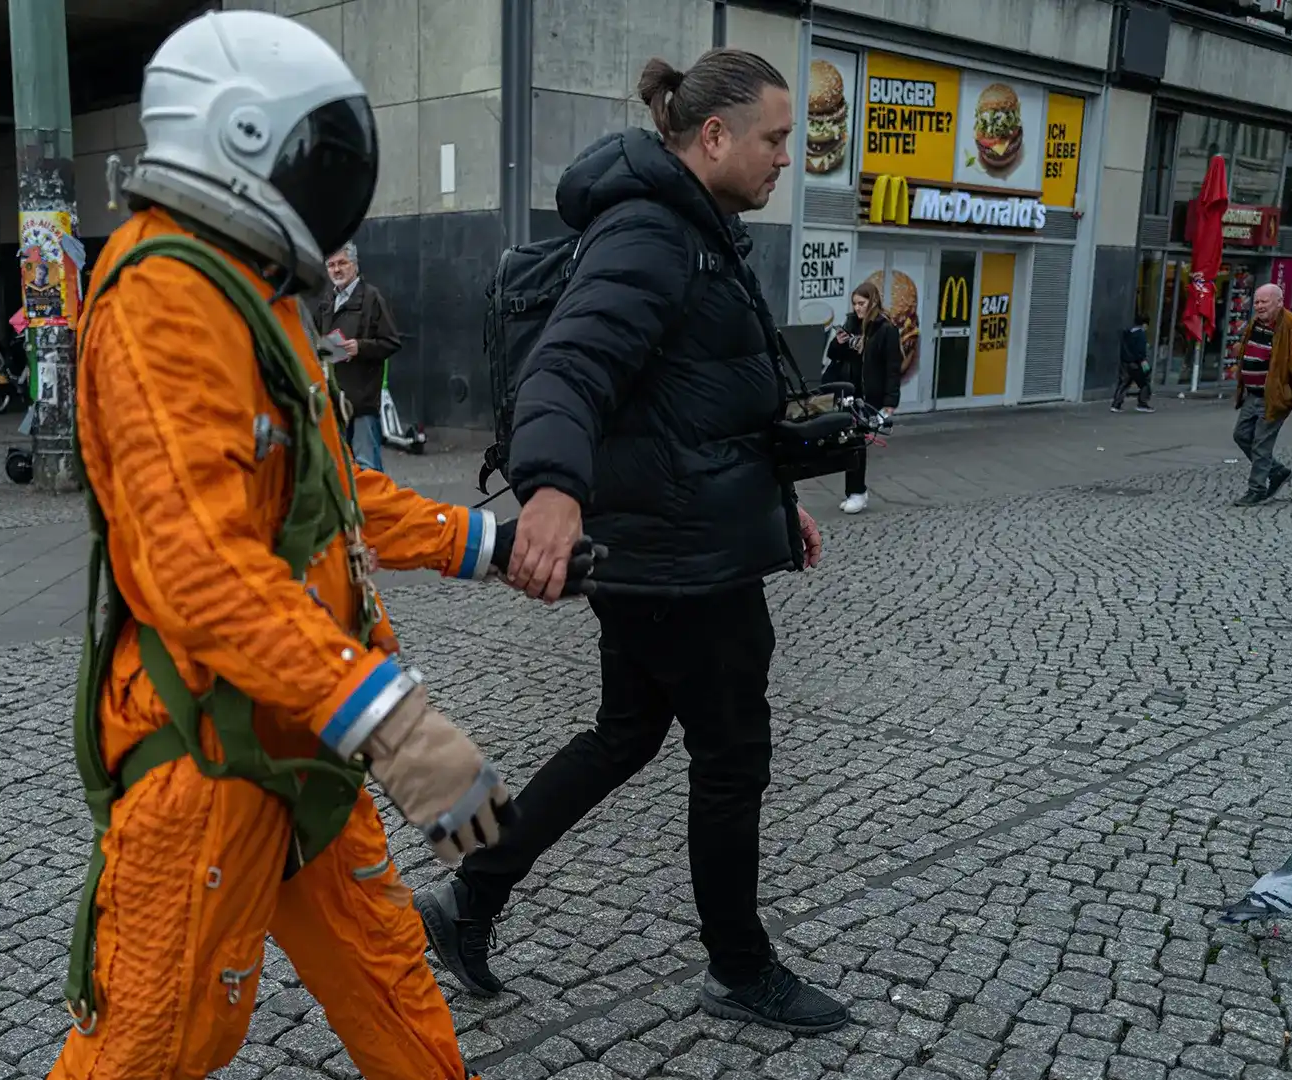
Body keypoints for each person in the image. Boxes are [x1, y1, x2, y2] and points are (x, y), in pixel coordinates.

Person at [50, 12, 531, 1079]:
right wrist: (391, 721)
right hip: (211, 752)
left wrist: (482, 541)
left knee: (393, 981)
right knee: (150, 1046)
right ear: (245, 138)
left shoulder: (249, 292)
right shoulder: (163, 298)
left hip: (304, 735)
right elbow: (199, 569)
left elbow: (324, 498)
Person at [415, 48, 849, 1034]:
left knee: (625, 735)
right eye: (776, 139)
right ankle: (739, 968)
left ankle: (470, 896)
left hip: (675, 543)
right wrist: (554, 491)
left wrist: (775, 504)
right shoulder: (654, 234)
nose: (787, 158)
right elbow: (568, 368)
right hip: (679, 564)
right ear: (714, 136)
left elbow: (697, 408)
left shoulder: (694, 230)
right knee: (731, 757)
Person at [1229, 283, 1292, 507]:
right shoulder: (1256, 323)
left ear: (1279, 302)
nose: (1259, 306)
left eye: (1265, 302)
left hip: (1276, 394)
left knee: (1261, 443)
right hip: (1253, 393)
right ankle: (1277, 471)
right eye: (1257, 302)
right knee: (1241, 435)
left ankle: (1257, 489)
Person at [314, 241, 402, 472]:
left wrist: (359, 347)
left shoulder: (372, 298)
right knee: (339, 469)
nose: (337, 270)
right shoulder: (327, 301)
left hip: (362, 402)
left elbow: (392, 342)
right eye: (331, 265)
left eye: (342, 263)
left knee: (367, 469)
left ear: (354, 265)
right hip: (335, 401)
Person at [822, 280, 901, 513]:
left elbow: (892, 368)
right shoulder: (851, 323)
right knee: (847, 441)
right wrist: (838, 343)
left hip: (868, 395)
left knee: (856, 441)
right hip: (848, 390)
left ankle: (856, 492)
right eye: (855, 303)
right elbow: (834, 355)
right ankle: (855, 492)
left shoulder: (885, 329)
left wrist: (889, 403)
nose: (857, 308)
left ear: (872, 302)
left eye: (861, 303)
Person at [1112, 313, 1154, 414]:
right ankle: (1142, 403)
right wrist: (1143, 361)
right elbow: (1140, 350)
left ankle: (1116, 404)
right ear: (1144, 324)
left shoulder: (1127, 333)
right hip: (1136, 363)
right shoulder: (1141, 334)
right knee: (1144, 383)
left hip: (1125, 362)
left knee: (1124, 383)